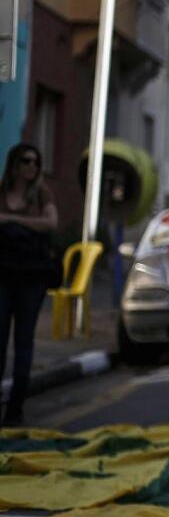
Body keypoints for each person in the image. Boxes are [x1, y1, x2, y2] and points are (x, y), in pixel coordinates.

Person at [0, 143, 58, 426]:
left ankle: (15, 409)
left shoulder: (41, 194)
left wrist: (12, 220)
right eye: (26, 161)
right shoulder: (2, 192)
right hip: (4, 274)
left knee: (24, 341)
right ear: (14, 164)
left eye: (36, 162)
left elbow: (51, 223)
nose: (31, 167)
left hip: (31, 278)